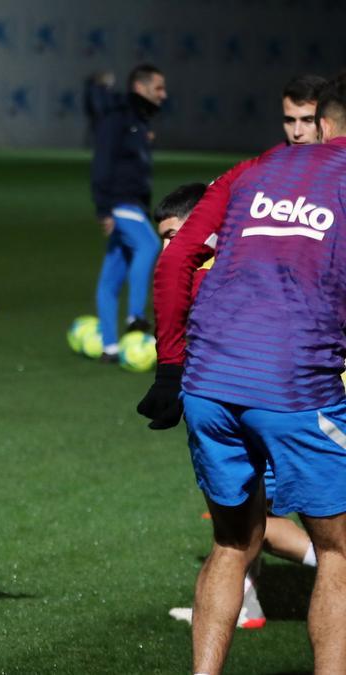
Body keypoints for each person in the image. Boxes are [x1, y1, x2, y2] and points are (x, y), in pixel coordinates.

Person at [138, 77, 346, 674]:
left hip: (208, 380)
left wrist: (170, 367)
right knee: (338, 549)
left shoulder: (249, 171)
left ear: (320, 123)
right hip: (293, 384)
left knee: (232, 542)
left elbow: (177, 256)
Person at [90, 63, 167, 362]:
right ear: (140, 87)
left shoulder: (139, 120)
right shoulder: (118, 117)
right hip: (121, 203)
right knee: (149, 245)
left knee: (111, 276)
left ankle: (109, 348)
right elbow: (102, 163)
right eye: (158, 88)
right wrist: (104, 208)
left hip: (132, 204)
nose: (164, 94)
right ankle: (135, 316)